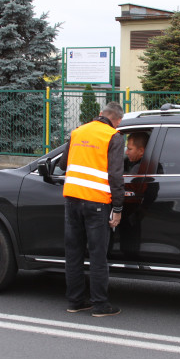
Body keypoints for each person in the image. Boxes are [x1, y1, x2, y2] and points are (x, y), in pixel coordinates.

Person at [59, 101, 124, 317]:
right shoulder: (112, 136)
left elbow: (62, 163)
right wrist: (118, 206)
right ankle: (100, 305)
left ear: (100, 114)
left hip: (72, 200)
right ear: (117, 121)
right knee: (97, 255)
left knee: (74, 253)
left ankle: (75, 301)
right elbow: (115, 175)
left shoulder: (78, 132)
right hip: (97, 203)